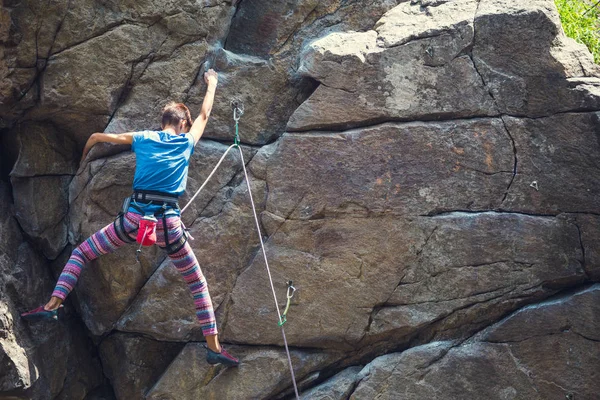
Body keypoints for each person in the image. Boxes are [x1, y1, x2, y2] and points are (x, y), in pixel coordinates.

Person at [21, 68, 239, 367]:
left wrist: (84, 159)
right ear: (183, 124)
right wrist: (212, 82)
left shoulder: (144, 138)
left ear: (163, 122)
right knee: (197, 284)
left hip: (132, 222)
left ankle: (52, 304)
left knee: (82, 253)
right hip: (168, 227)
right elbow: (205, 113)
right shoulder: (186, 142)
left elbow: (98, 137)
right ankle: (213, 347)